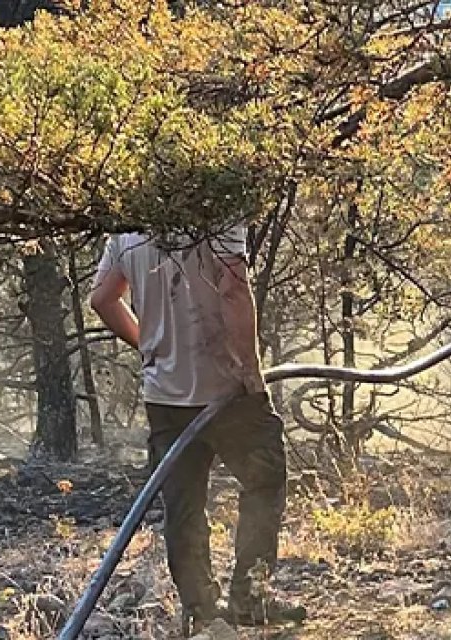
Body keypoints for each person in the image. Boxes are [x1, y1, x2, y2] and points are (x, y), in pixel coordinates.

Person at [89, 226, 306, 635]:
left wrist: (151, 346)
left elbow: (102, 297)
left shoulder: (129, 227)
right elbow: (234, 288)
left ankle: (201, 609)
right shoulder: (220, 211)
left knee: (183, 505)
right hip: (228, 389)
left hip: (165, 397)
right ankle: (250, 598)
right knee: (265, 478)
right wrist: (250, 372)